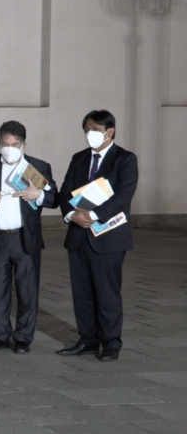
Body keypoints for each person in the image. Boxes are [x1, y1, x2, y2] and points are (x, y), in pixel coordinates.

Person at [0, 121, 56, 354]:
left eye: (14, 144)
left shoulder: (38, 167)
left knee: (27, 290)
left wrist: (38, 194)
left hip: (25, 237)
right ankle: (0, 335)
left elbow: (54, 198)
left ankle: (23, 337)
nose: (9, 149)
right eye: (5, 144)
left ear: (23, 144)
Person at [55, 110, 138, 361]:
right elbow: (65, 192)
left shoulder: (125, 159)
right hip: (78, 236)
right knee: (82, 293)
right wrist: (72, 215)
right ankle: (88, 339)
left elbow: (123, 196)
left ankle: (111, 342)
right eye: (86, 130)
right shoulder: (79, 158)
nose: (89, 134)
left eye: (95, 130)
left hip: (108, 237)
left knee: (107, 292)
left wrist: (93, 215)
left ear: (110, 131)